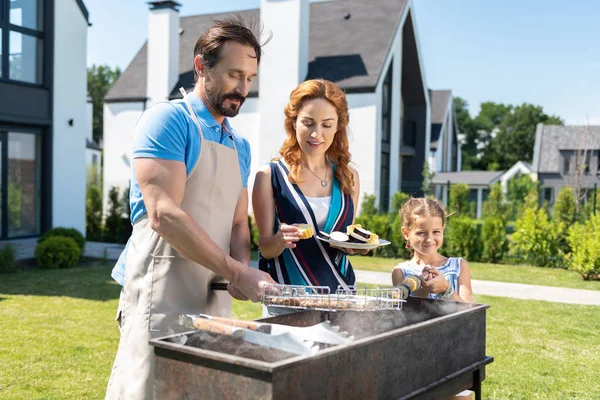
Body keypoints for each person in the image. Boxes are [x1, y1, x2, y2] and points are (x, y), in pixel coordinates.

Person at [106, 19, 275, 400]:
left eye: (250, 78)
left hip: (214, 294)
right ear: (202, 67)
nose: (243, 88)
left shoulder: (240, 146)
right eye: (234, 74)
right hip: (161, 294)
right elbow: (163, 214)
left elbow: (237, 224)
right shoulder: (167, 121)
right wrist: (235, 269)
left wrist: (239, 272)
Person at [252, 79, 367, 295]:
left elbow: (344, 238)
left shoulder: (349, 176)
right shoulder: (270, 176)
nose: (316, 134)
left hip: (342, 296)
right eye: (308, 123)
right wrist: (279, 240)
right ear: (293, 122)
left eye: (326, 125)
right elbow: (266, 249)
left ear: (337, 127)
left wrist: (352, 246)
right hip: (288, 299)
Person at [392, 197, 473, 399]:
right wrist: (424, 289)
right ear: (406, 234)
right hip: (416, 354)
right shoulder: (401, 272)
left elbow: (470, 313)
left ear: (443, 230)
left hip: (455, 351)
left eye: (436, 232)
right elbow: (406, 317)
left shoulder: (458, 266)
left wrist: (446, 289)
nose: (430, 239)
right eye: (421, 233)